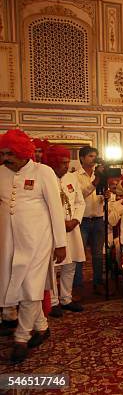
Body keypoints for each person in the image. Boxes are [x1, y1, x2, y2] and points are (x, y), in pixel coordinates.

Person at [0, 129, 67, 363]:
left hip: (39, 240)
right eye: (3, 153)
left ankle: (21, 337)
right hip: (8, 242)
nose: (6, 158)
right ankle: (41, 326)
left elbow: (56, 210)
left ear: (22, 152)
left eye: (10, 153)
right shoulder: (0, 173)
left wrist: (60, 243)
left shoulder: (43, 172)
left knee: (31, 285)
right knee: (15, 283)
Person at [45, 146, 86, 318]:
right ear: (53, 163)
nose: (66, 166)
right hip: (52, 229)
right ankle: (53, 302)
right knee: (53, 266)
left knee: (71, 264)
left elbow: (79, 202)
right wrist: (61, 223)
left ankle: (66, 299)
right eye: (62, 163)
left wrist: (75, 220)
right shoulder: (46, 177)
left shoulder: (71, 177)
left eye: (68, 162)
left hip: (72, 228)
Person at [76, 146, 105, 295]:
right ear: (82, 158)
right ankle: (78, 286)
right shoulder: (75, 176)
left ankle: (98, 283)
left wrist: (107, 195)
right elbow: (80, 194)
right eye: (90, 156)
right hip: (83, 220)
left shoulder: (100, 173)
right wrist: (96, 181)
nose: (94, 159)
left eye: (95, 156)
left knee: (98, 254)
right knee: (79, 255)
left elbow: (105, 192)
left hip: (99, 218)